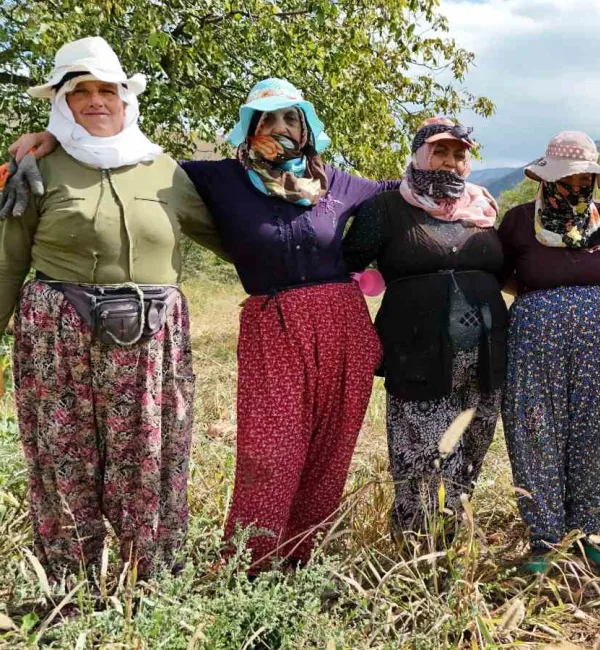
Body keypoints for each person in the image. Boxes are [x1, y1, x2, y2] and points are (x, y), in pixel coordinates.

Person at [12, 76, 399, 572]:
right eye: (266, 119)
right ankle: (248, 566)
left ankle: (301, 561)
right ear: (248, 127)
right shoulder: (216, 178)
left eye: (289, 118)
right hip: (274, 323)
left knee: (330, 450)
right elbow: (125, 156)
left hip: (343, 321)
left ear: (307, 127)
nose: (278, 128)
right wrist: (54, 139)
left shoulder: (337, 184)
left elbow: (398, 192)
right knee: (268, 456)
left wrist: (463, 194)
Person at [0, 37, 225, 581]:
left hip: (153, 340)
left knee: (150, 459)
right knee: (64, 458)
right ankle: (69, 589)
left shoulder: (164, 170)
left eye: (108, 89)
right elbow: (7, 261)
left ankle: (147, 588)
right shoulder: (36, 167)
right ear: (62, 102)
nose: (97, 101)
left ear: (127, 100)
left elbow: (235, 235)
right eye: (82, 92)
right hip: (60, 337)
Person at [496, 131, 600, 571]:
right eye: (568, 178)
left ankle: (587, 528)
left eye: (584, 178)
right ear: (546, 179)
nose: (576, 186)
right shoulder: (518, 221)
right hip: (533, 345)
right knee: (535, 431)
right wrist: (537, 299)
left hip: (599, 347)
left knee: (597, 432)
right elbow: (497, 277)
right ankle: (545, 538)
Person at [343, 118, 504, 541]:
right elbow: (345, 269)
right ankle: (413, 543)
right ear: (418, 152)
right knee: (420, 456)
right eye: (440, 151)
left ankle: (456, 535)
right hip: (415, 354)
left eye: (459, 153)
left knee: (472, 446)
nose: (450, 162)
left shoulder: (484, 206)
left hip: (484, 357)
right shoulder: (386, 209)